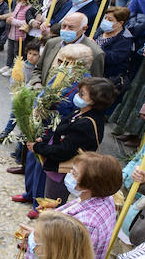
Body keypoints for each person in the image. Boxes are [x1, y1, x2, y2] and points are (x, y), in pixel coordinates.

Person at [19, 77, 115, 210]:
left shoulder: (87, 123)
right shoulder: (81, 112)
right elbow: (62, 134)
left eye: (82, 94)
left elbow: (63, 151)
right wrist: (45, 141)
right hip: (59, 167)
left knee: (52, 204)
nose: (77, 96)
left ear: (94, 100)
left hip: (63, 170)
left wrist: (38, 148)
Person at [27, 151, 122, 259]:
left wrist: (33, 238)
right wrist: (54, 212)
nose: (69, 175)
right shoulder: (103, 198)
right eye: (71, 170)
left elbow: (62, 258)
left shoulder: (87, 223)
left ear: (90, 185)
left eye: (74, 173)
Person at [38, 12, 105, 79]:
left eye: (71, 27)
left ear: (84, 28)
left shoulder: (95, 53)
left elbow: (93, 83)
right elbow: (38, 70)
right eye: (64, 26)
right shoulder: (52, 43)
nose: (66, 30)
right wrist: (36, 83)